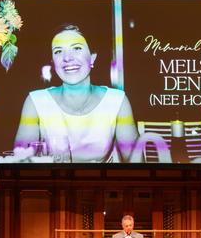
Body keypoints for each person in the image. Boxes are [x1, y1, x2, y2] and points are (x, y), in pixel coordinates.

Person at [13, 25, 139, 163]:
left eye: (77, 48)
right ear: (53, 62)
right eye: (58, 51)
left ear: (92, 57)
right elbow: (22, 162)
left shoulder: (117, 101)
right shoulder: (35, 102)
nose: (67, 58)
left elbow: (136, 163)